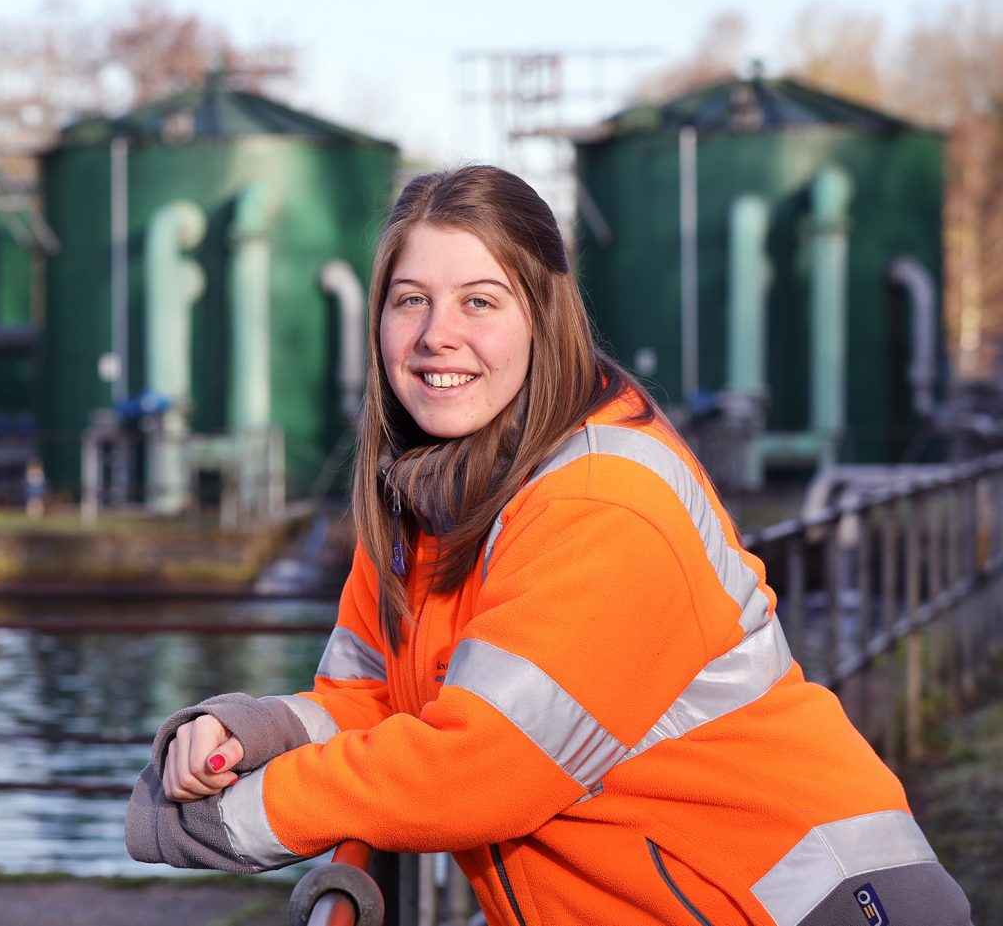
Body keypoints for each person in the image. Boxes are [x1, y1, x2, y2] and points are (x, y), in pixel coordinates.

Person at [125, 165, 972, 925]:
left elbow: (478, 765)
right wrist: (250, 733)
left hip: (814, 906)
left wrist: (227, 819)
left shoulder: (603, 496)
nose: (435, 335)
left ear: (542, 316)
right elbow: (377, 698)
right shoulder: (424, 496)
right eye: (409, 298)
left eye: (479, 301)